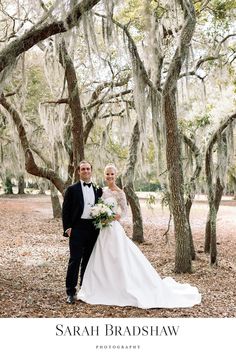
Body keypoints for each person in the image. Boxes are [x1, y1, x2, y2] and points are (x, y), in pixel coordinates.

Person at [77, 164, 201, 309]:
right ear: (104, 176)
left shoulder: (119, 193)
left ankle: (121, 287)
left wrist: (113, 217)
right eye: (107, 174)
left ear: (115, 175)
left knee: (119, 257)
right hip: (102, 230)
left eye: (112, 174)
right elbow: (95, 207)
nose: (110, 176)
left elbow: (124, 212)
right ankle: (102, 286)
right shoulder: (101, 191)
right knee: (102, 257)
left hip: (113, 228)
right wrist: (100, 215)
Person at [62, 160, 102, 304]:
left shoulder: (98, 189)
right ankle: (71, 292)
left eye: (88, 169)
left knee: (88, 261)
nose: (85, 171)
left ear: (91, 171)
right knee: (75, 260)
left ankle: (84, 289)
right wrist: (68, 228)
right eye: (83, 169)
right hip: (77, 228)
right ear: (79, 172)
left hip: (93, 228)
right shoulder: (72, 189)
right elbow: (65, 210)